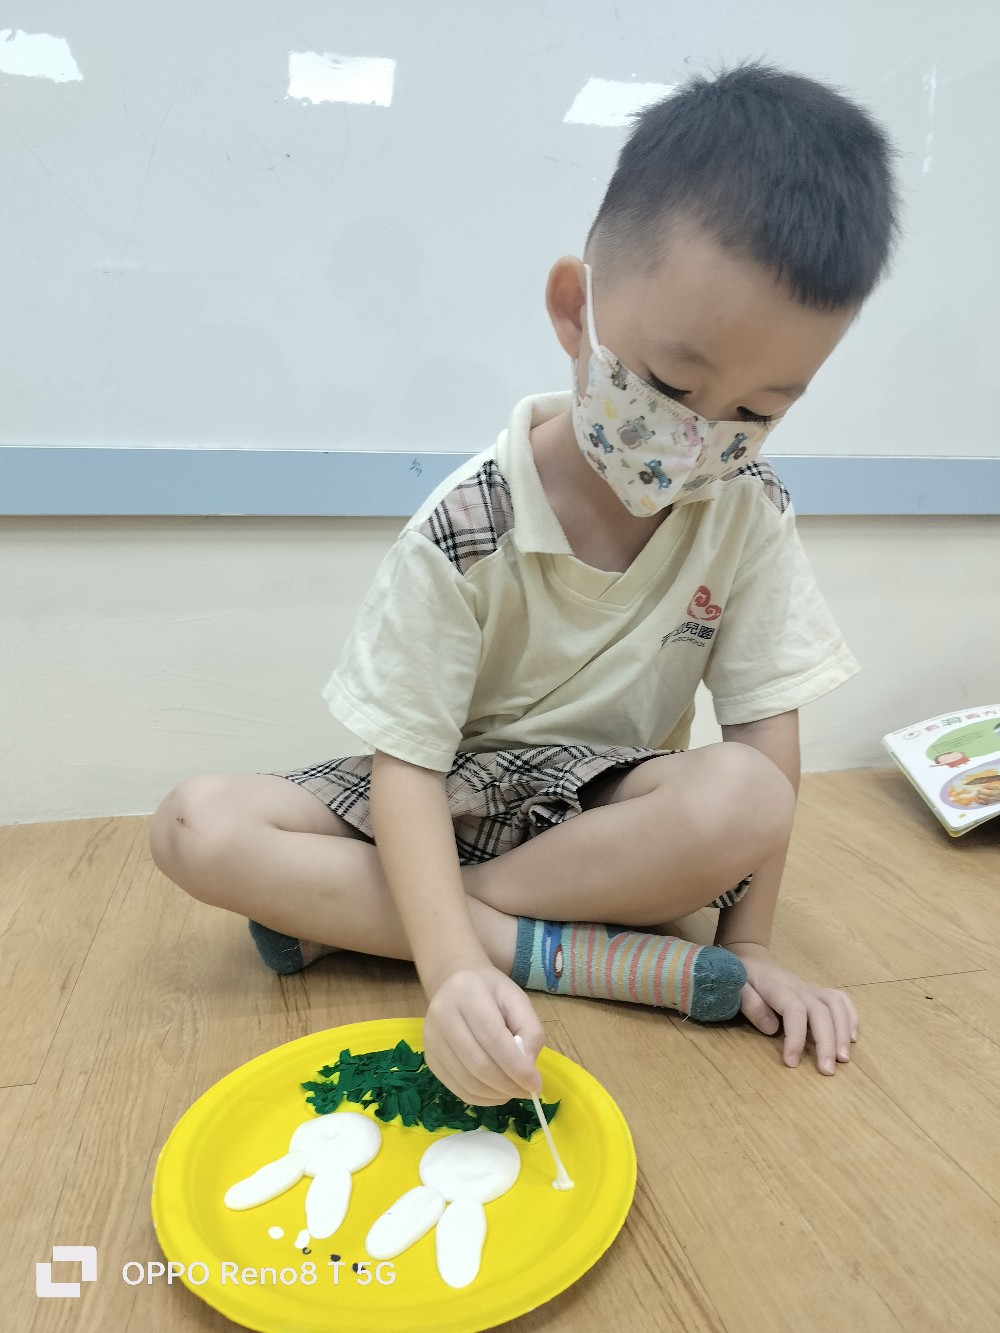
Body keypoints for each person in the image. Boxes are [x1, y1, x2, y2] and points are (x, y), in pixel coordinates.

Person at [150, 61, 900, 1106]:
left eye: (757, 411)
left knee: (748, 794)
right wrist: (453, 971)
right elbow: (408, 764)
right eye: (673, 385)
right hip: (450, 795)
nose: (699, 437)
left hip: (605, 817)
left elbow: (764, 730)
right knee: (194, 824)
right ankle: (556, 950)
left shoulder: (749, 511)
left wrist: (753, 942)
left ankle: (386, 919)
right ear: (574, 311)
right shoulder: (467, 525)